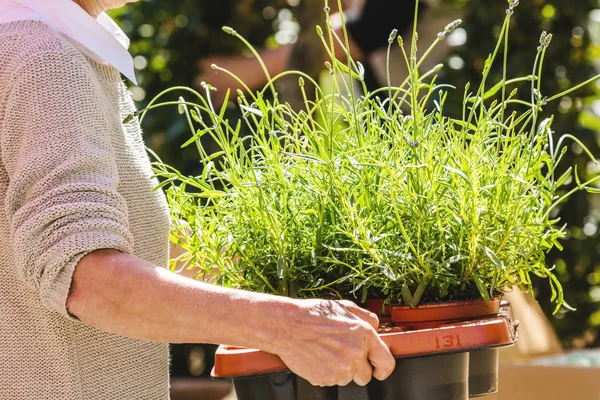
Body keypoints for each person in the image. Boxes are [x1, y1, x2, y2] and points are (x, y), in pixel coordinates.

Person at [0, 0, 396, 398]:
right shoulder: (43, 60)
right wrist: (289, 326)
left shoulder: (48, 43)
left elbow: (131, 246)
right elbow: (87, 279)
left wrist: (316, 282)